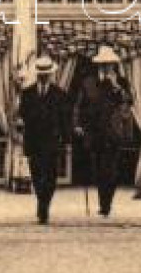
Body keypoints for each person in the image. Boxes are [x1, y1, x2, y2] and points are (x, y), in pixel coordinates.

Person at [72, 46, 133, 217]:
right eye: (104, 64)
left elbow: (129, 101)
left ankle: (107, 204)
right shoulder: (88, 82)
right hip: (94, 132)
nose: (107, 67)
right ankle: (102, 202)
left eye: (110, 64)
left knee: (111, 170)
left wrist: (116, 87)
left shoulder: (121, 82)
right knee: (99, 170)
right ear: (99, 65)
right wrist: (77, 124)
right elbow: (78, 105)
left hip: (113, 132)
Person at [17, 56, 70, 225]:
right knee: (36, 175)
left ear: (51, 75)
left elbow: (64, 119)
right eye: (41, 74)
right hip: (34, 141)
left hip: (52, 141)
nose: (44, 77)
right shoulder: (27, 93)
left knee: (51, 177)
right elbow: (22, 115)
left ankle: (43, 206)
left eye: (46, 74)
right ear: (37, 75)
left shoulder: (59, 94)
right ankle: (42, 203)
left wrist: (66, 139)